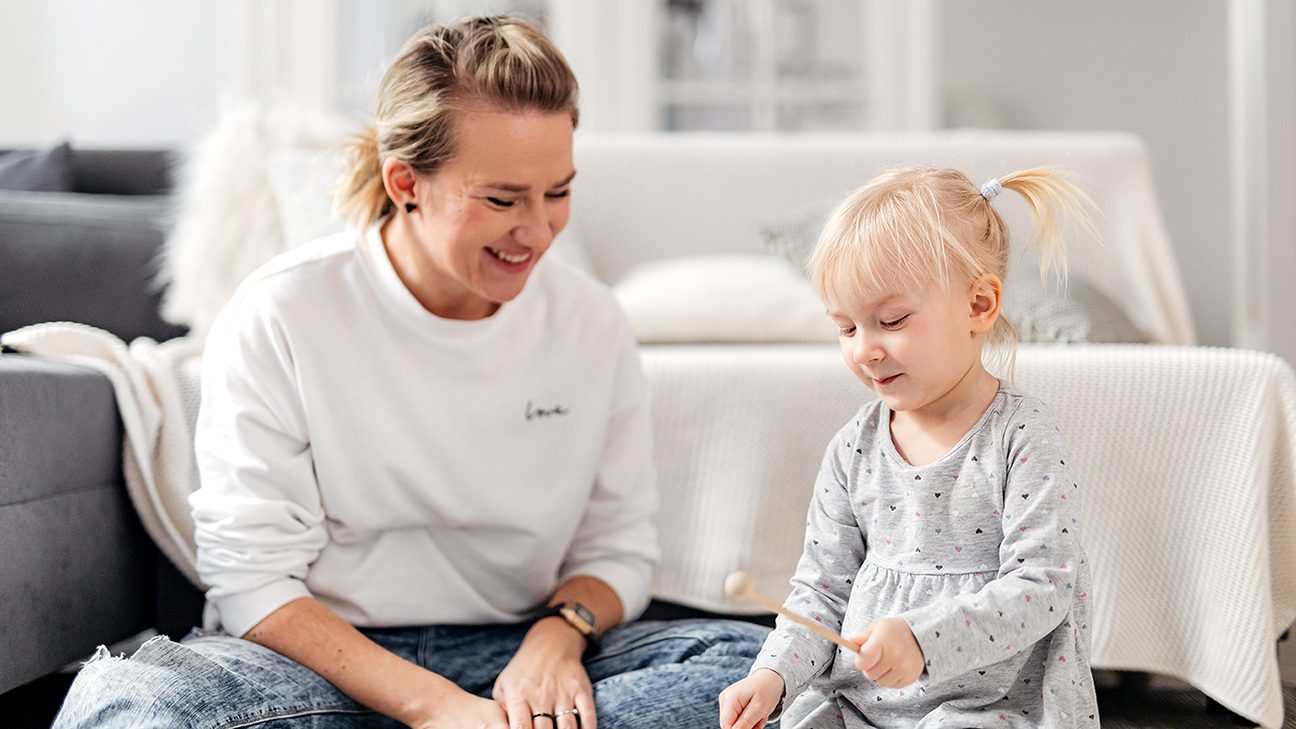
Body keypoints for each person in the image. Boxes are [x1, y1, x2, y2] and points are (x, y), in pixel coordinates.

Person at [53, 15, 767, 729]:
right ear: (406, 183)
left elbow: (620, 547)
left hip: (517, 652)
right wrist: (435, 708)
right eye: (501, 198)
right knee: (129, 705)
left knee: (771, 671)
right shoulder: (283, 311)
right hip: (318, 665)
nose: (540, 229)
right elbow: (251, 581)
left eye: (557, 192)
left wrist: (559, 637)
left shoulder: (592, 322)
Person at [718, 167, 1101, 728]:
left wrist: (924, 641)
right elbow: (821, 589)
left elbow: (1043, 587)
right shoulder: (853, 448)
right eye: (846, 328)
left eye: (890, 320)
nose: (865, 350)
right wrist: (772, 675)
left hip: (988, 708)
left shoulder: (1022, 435)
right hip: (859, 703)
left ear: (979, 306)